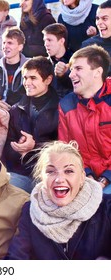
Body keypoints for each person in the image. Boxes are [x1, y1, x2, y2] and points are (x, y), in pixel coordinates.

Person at [6, 141, 111, 260]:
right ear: (42, 178)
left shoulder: (107, 207)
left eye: (69, 171)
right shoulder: (30, 210)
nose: (59, 179)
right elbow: (16, 259)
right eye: (50, 171)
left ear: (82, 177)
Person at [58, 44, 111, 193]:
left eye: (78, 69)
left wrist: (104, 180)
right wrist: (86, 174)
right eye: (71, 69)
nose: (70, 74)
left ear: (97, 72)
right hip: (82, 178)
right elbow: (67, 149)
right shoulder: (66, 105)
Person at [4, 56, 59, 193]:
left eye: (33, 78)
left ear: (48, 80)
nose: (27, 82)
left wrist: (33, 147)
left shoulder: (61, 108)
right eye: (25, 78)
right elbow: (7, 147)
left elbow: (62, 145)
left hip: (51, 175)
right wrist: (18, 148)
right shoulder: (16, 110)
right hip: (21, 173)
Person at [0, 27, 28, 106]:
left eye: (10, 43)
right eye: (4, 43)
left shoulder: (30, 68)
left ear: (20, 47)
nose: (5, 46)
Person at [43, 23, 73, 99]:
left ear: (61, 41)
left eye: (49, 40)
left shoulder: (76, 62)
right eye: (45, 40)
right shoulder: (43, 64)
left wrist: (64, 75)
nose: (46, 44)